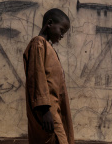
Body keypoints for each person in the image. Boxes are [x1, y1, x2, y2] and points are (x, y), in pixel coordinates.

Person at [22, 8, 74, 144]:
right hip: (47, 111)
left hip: (54, 110)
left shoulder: (47, 47)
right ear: (50, 23)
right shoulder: (38, 43)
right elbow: (37, 77)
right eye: (61, 30)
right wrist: (45, 110)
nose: (62, 36)